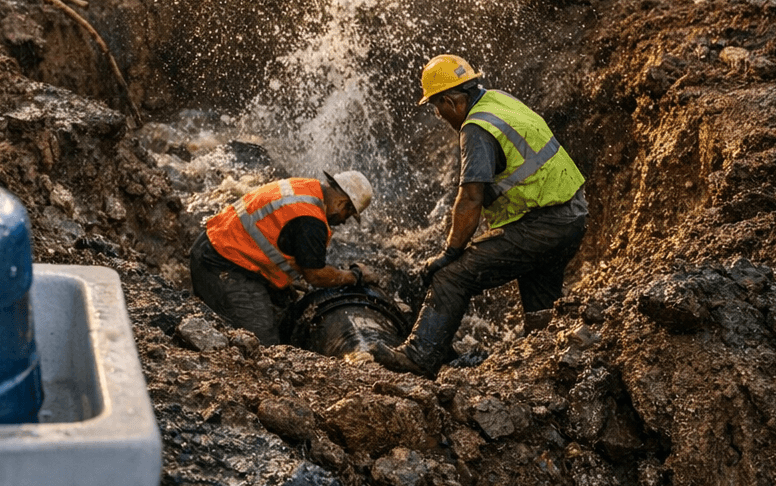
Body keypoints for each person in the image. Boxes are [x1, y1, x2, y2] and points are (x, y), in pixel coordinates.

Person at [371, 55, 588, 379]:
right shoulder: (500, 100)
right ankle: (549, 364)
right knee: (541, 297)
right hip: (572, 216)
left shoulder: (476, 128)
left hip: (543, 224)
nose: (437, 114)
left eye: (436, 106)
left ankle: (420, 356)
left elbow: (470, 198)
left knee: (452, 276)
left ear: (450, 101)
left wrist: (450, 253)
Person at [189, 171, 377, 345]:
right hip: (220, 265)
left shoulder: (305, 188)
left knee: (282, 311)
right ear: (341, 203)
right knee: (263, 345)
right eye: (349, 214)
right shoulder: (311, 220)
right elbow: (315, 276)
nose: (344, 221)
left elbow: (273, 236)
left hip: (212, 245)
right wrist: (353, 276)